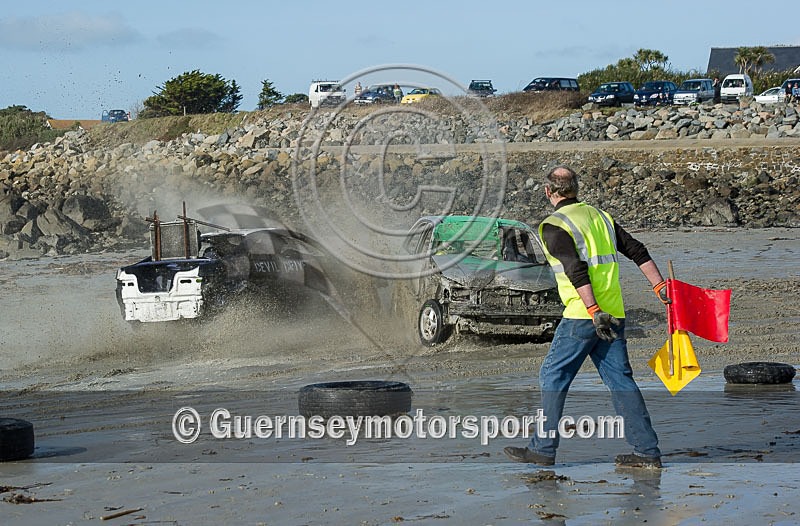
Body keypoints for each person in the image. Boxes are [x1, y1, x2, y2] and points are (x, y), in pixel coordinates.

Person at [503, 164, 669, 469]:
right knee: (621, 382)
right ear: (576, 189)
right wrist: (658, 285)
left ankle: (543, 449)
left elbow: (575, 269)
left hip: (584, 315)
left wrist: (592, 311)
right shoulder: (601, 218)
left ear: (548, 191)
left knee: (552, 377)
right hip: (614, 314)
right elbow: (636, 250)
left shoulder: (553, 225)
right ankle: (647, 452)